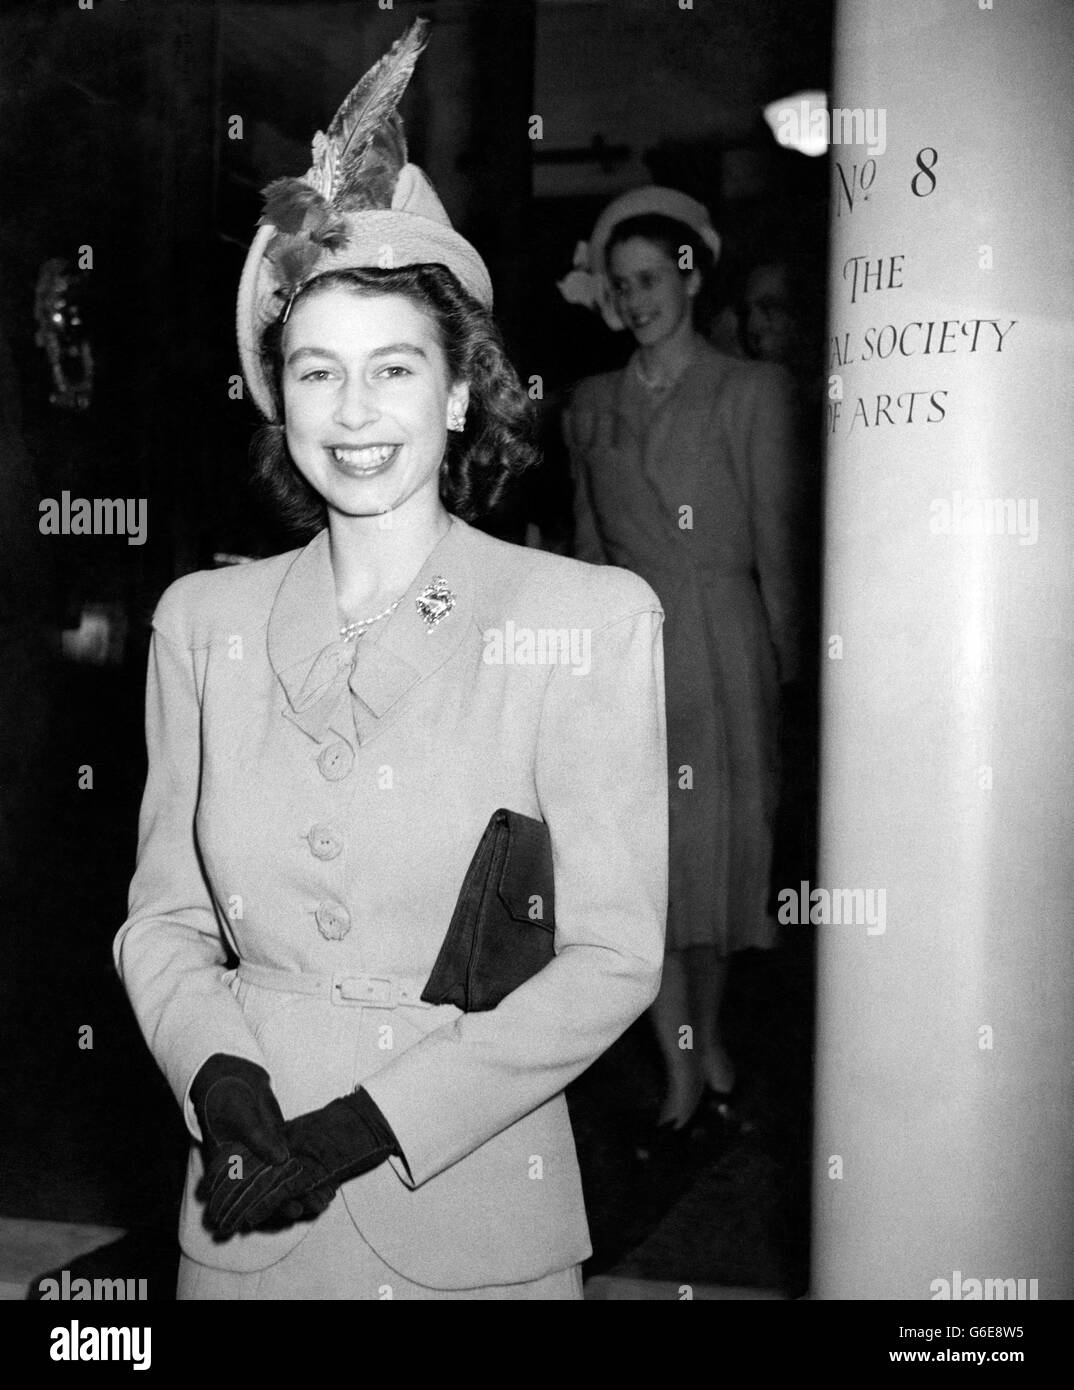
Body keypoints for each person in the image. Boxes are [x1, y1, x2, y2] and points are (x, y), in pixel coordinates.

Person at [113, 22, 667, 1300]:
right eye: (318, 372)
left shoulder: (583, 620)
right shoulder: (202, 625)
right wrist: (218, 1074)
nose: (354, 413)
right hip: (244, 1217)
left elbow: (613, 956)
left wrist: (373, 1123)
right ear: (278, 398)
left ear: (461, 390)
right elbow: (165, 922)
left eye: (394, 369)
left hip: (470, 1218)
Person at [560, 187, 801, 1150]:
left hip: (727, 650)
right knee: (648, 879)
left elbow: (780, 548)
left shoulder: (750, 391)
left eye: (653, 279)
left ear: (691, 279)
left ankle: (712, 1050)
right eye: (622, 286)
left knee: (722, 873)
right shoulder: (586, 405)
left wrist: (787, 670)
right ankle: (680, 1073)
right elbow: (584, 553)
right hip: (634, 661)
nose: (637, 298)